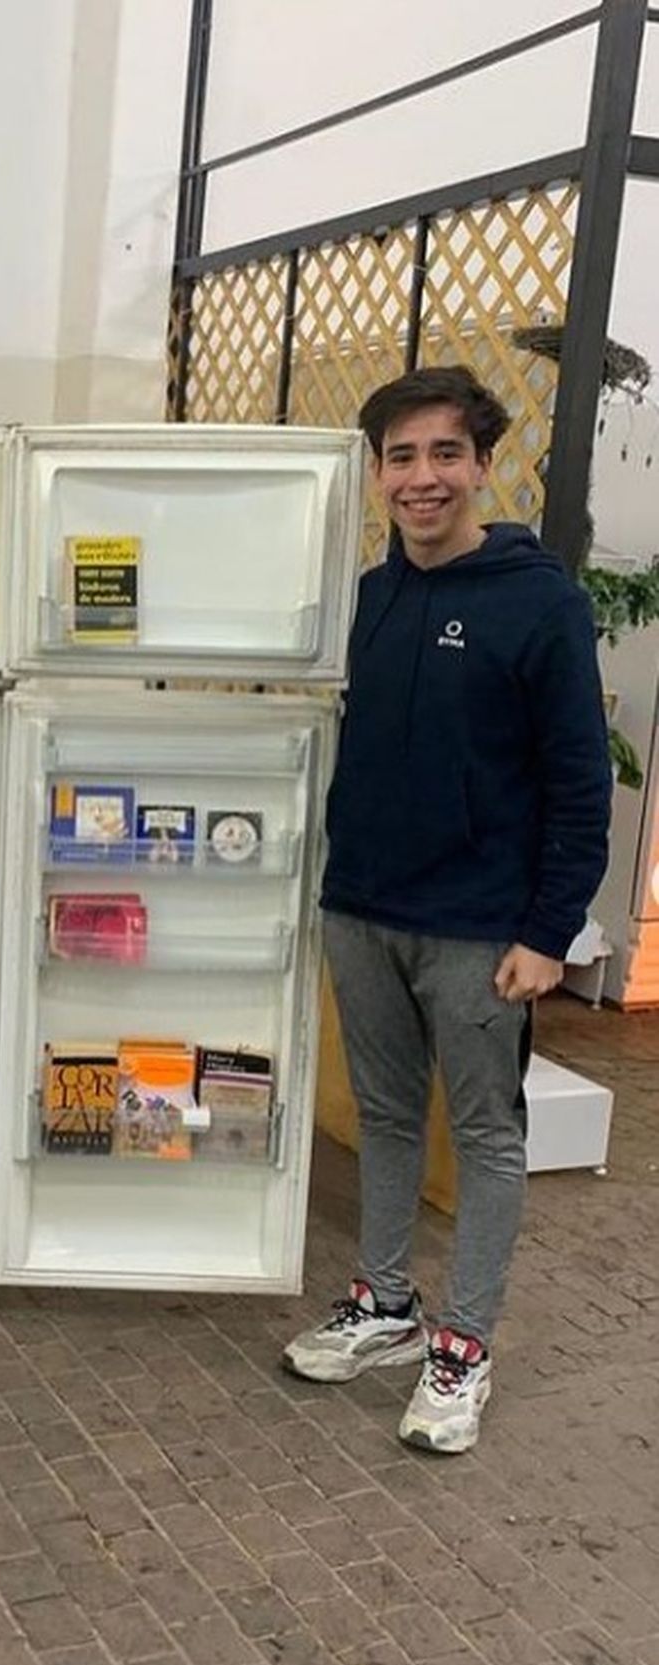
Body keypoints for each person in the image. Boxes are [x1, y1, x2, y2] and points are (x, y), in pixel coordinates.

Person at [282, 365, 611, 1454]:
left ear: (480, 464)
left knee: (485, 1135)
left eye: (444, 454)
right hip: (364, 906)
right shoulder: (368, 603)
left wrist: (546, 932)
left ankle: (462, 1343)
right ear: (377, 473)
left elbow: (576, 778)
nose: (423, 478)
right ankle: (385, 1301)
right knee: (383, 1115)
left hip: (481, 929)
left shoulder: (540, 602)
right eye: (402, 457)